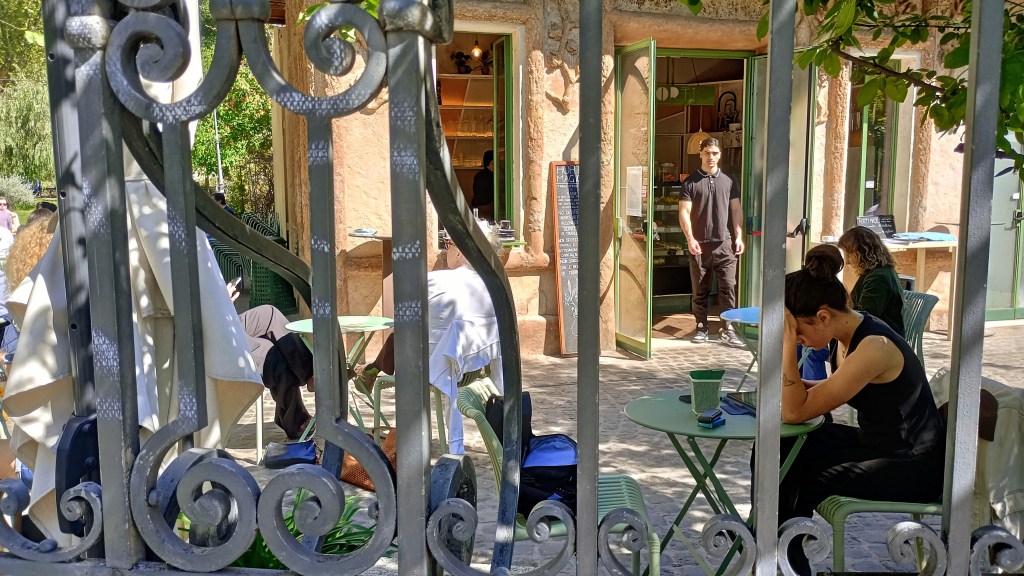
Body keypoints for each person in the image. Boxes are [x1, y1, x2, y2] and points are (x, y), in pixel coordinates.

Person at [770, 247, 945, 575]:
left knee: (808, 475)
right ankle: (765, 537)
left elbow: (796, 413)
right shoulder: (844, 336)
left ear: (823, 316)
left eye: (800, 331)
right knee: (778, 444)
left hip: (913, 465)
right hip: (877, 444)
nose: (801, 340)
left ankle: (787, 561)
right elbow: (819, 396)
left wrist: (786, 346)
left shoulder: (873, 347)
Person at [356, 226, 503, 454]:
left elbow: (402, 320)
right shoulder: (495, 286)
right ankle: (371, 369)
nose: (445, 252)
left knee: (403, 336)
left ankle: (372, 371)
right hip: (473, 367)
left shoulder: (434, 281)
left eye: (449, 245)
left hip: (435, 370)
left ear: (462, 251)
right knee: (413, 335)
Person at [678, 137, 745, 346]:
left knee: (728, 288)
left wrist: (739, 236)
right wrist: (690, 239)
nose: (711, 157)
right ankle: (701, 327)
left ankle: (729, 328)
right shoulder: (690, 182)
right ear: (700, 154)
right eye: (707, 153)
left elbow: (736, 210)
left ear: (720, 154)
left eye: (715, 153)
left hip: (725, 244)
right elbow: (684, 211)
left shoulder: (729, 181)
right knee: (700, 289)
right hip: (699, 244)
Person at [838, 225, 906, 337]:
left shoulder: (879, 278)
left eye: (849, 254)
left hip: (883, 341)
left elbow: (864, 318)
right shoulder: (876, 272)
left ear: (861, 252)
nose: (848, 262)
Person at [471, 150, 495, 222]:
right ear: (492, 163)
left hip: (477, 207)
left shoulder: (478, 175)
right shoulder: (493, 177)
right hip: (487, 208)